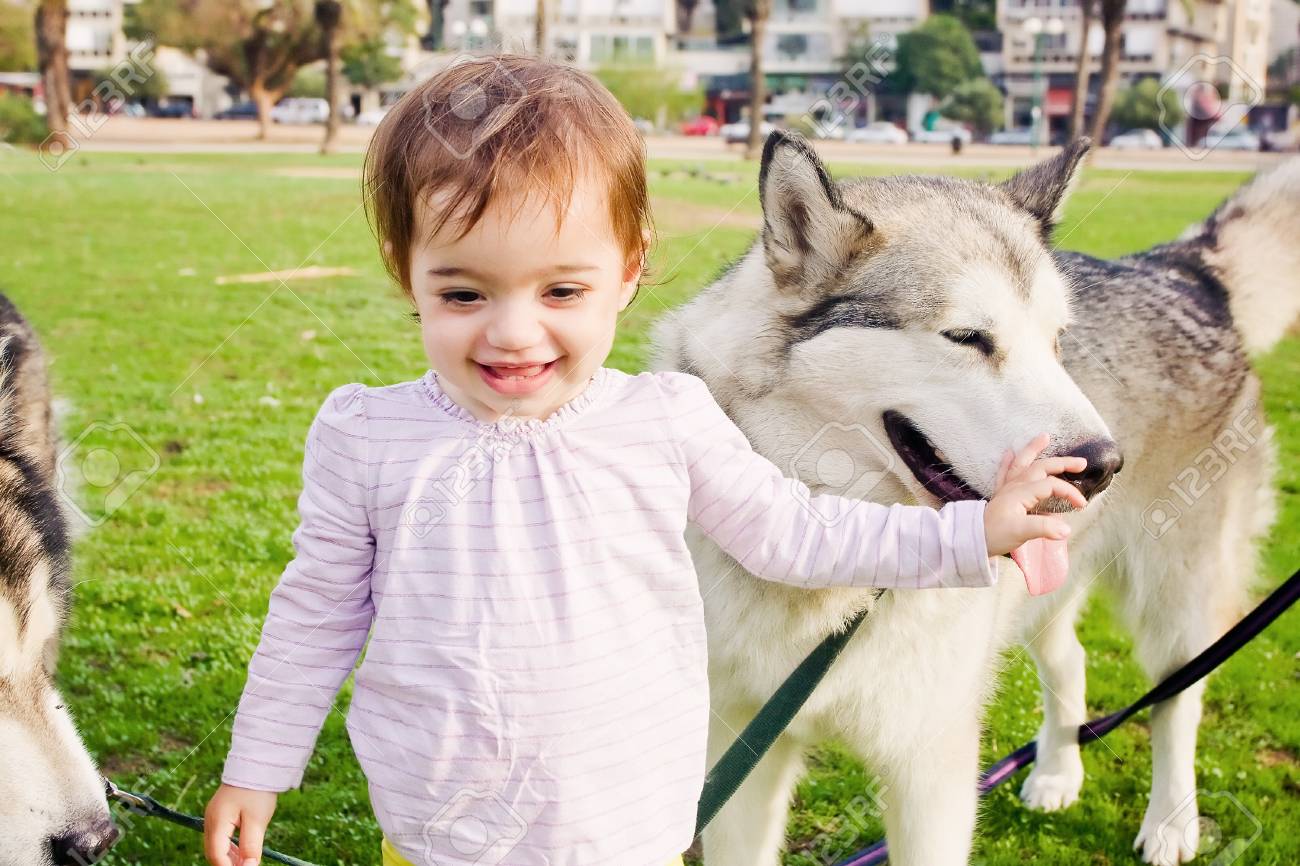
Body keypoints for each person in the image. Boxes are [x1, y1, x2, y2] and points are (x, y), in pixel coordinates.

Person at [203, 54, 1088, 866]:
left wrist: (974, 532)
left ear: (628, 273)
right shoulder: (365, 437)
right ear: (408, 272)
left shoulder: (665, 420)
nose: (514, 333)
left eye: (562, 290)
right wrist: (258, 766)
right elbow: (314, 615)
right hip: (438, 832)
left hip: (621, 830)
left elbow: (804, 538)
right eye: (464, 291)